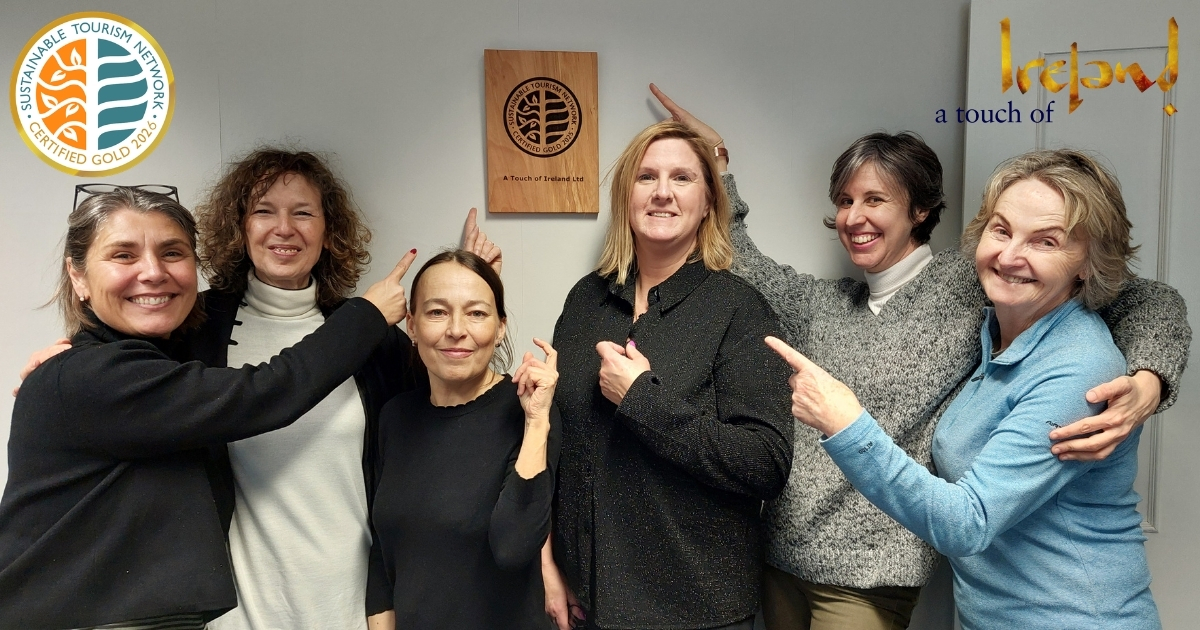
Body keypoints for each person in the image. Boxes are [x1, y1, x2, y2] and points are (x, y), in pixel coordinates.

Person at [649, 85, 1190, 630]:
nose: (854, 216)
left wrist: (1149, 379)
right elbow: (746, 262)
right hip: (785, 554)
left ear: (921, 209)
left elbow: (1146, 299)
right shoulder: (825, 304)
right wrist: (717, 165)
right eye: (844, 201)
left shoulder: (973, 283)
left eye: (875, 199)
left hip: (878, 576)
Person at [768, 149, 1163, 628]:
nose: (1010, 255)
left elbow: (968, 521)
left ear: (1088, 262)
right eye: (1001, 230)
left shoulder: (1080, 370)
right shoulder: (993, 331)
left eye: (1046, 242)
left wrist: (847, 423)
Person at [0, 187, 413, 629]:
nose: (153, 272)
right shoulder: (92, 375)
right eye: (123, 255)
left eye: (172, 252)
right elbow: (263, 393)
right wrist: (368, 315)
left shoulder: (134, 359)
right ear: (77, 276)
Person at [191, 149, 500, 630]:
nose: (284, 228)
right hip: (241, 613)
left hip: (357, 607)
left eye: (303, 213)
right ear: (239, 226)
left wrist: (468, 287)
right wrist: (73, 352)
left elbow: (458, 400)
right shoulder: (197, 330)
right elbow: (132, 381)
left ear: (328, 231)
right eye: (264, 211)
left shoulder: (369, 336)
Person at [542, 120, 794, 630]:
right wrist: (548, 561)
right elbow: (556, 441)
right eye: (645, 177)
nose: (662, 192)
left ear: (708, 202)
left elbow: (766, 463)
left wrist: (642, 399)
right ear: (626, 197)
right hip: (585, 602)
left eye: (682, 178)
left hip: (695, 609)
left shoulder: (740, 310)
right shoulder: (585, 300)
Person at [364, 250, 561, 630]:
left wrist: (536, 421)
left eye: (476, 313)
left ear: (501, 327)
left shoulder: (529, 410)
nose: (456, 329)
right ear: (412, 325)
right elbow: (383, 557)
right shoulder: (395, 416)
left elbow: (515, 547)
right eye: (437, 312)